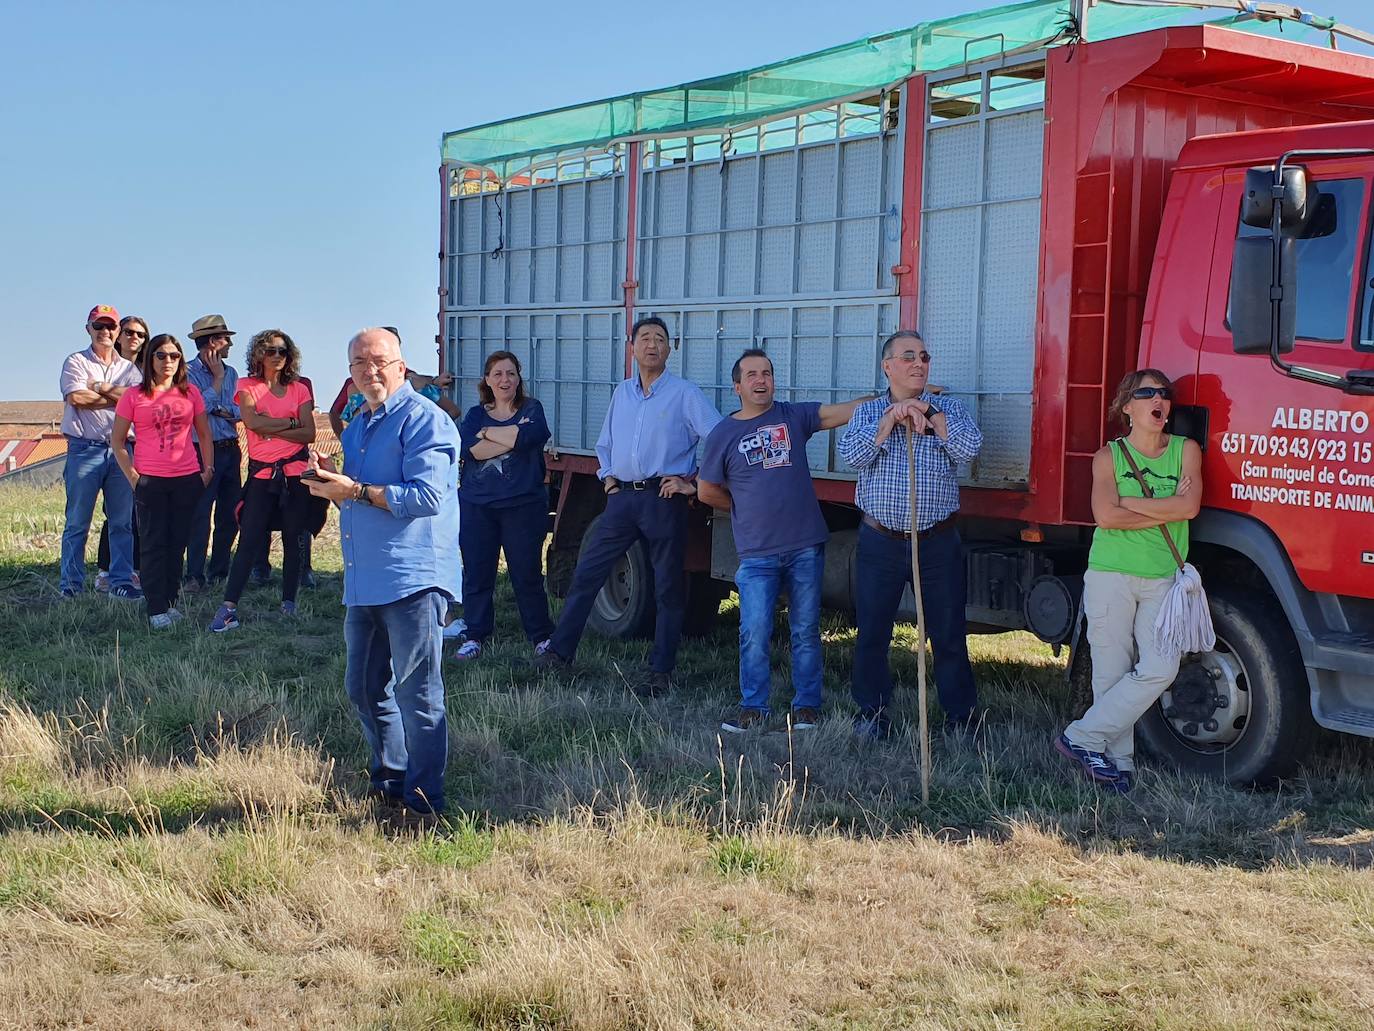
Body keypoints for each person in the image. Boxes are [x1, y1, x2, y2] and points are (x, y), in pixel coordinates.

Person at [304, 326, 461, 830]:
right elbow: (357, 489)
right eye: (358, 364)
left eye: (377, 361)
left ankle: (424, 802)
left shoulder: (425, 421)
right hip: (365, 579)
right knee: (364, 688)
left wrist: (356, 490)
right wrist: (334, 479)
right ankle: (391, 781)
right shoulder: (358, 426)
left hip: (413, 577)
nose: (368, 370)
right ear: (349, 376)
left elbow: (427, 498)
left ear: (401, 365)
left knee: (417, 694)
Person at [534, 316, 722, 695]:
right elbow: (605, 443)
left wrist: (692, 482)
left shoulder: (684, 394)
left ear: (670, 348)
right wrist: (607, 479)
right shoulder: (622, 393)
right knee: (586, 574)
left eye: (660, 339)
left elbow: (719, 437)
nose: (652, 344)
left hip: (662, 499)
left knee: (668, 587)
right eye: (645, 338)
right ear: (632, 347)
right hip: (621, 500)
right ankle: (559, 653)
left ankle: (661, 670)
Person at [698, 349, 867, 732]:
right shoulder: (724, 433)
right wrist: (743, 507)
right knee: (754, 631)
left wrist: (897, 398)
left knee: (806, 631)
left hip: (805, 547)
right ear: (737, 386)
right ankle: (754, 707)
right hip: (757, 555)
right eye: (752, 374)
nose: (761, 380)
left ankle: (807, 706)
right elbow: (706, 490)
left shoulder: (793, 417)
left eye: (768, 373)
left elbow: (844, 411)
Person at [1055, 369, 1202, 793]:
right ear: (1127, 407)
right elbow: (1106, 517)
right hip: (1110, 574)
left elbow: (1190, 507)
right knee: (1110, 673)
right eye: (1147, 393)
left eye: (1164, 393)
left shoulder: (1185, 450)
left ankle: (1080, 736)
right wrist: (1165, 505)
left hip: (1161, 579)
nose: (1159, 400)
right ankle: (1116, 767)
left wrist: (1131, 503)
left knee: (1160, 667)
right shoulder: (1109, 457)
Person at [837, 330, 983, 739]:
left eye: (923, 356)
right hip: (880, 541)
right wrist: (892, 419)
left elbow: (969, 451)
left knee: (949, 633)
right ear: (888, 366)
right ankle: (872, 713)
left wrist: (932, 415)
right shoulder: (868, 413)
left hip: (936, 541)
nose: (918, 363)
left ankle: (960, 718)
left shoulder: (950, 409)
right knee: (872, 631)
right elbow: (853, 456)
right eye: (907, 357)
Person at [209, 330, 315, 631]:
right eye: (270, 350)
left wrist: (274, 428)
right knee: (250, 538)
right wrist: (291, 423)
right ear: (258, 354)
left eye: (282, 350)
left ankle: (289, 603)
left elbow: (308, 433)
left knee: (294, 537)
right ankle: (228, 607)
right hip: (262, 474)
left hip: (295, 474)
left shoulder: (299, 389)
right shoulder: (246, 386)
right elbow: (252, 422)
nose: (277, 356)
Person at [455, 350, 554, 660]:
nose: (504, 379)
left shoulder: (532, 409)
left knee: (526, 573)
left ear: (518, 378)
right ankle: (475, 634)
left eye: (510, 373)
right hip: (477, 507)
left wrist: (488, 434)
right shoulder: (473, 414)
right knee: (477, 572)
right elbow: (472, 450)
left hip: (523, 506)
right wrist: (510, 434)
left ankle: (541, 636)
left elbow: (531, 436)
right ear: (487, 379)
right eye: (497, 373)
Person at [111, 334, 215, 628]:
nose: (168, 361)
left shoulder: (191, 392)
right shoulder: (133, 395)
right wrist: (133, 476)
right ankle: (156, 607)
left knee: (177, 542)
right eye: (161, 355)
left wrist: (207, 470)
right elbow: (117, 441)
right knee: (153, 543)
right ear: (150, 360)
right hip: (150, 481)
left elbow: (205, 434)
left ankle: (170, 601)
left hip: (187, 478)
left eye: (174, 356)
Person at [57, 304, 143, 600]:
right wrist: (116, 398)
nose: (105, 332)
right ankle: (71, 585)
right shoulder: (76, 361)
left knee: (122, 521)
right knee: (78, 521)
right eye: (99, 326)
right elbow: (77, 397)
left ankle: (121, 581)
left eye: (110, 327)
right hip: (85, 448)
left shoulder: (129, 369)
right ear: (88, 329)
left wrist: (102, 387)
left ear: (117, 332)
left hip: (122, 450)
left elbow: (135, 400)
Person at [184, 314, 242, 592]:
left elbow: (239, 412)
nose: (230, 343)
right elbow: (196, 408)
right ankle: (194, 575)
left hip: (231, 450)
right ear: (210, 343)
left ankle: (219, 571)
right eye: (224, 338)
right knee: (199, 514)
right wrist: (216, 381)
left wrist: (220, 408)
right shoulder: (187, 372)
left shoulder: (233, 373)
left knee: (230, 515)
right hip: (202, 451)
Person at [96, 314, 151, 592]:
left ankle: (135, 568)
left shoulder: (148, 367)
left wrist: (105, 391)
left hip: (142, 444)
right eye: (128, 332)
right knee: (116, 512)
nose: (134, 338)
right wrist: (120, 393)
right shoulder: (106, 364)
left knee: (138, 509)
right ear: (118, 334)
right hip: (110, 443)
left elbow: (144, 399)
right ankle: (106, 568)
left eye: (140, 334)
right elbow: (80, 396)